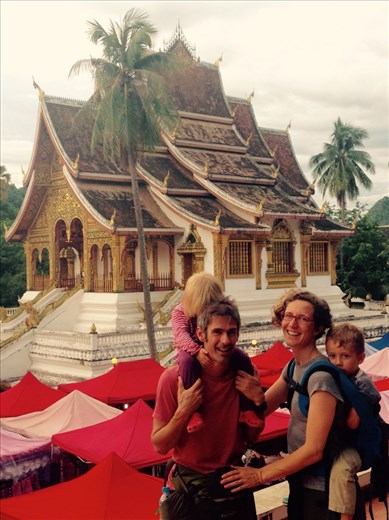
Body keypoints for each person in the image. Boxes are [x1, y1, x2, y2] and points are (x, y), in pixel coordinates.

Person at [221, 289, 367, 520]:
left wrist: (259, 476)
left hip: (324, 493)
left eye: (303, 319)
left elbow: (313, 450)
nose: (292, 323)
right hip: (302, 486)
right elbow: (263, 407)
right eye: (288, 316)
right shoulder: (293, 367)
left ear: (318, 328)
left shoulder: (320, 377)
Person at [152, 297, 266, 520]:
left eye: (232, 332)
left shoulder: (245, 376)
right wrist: (184, 410)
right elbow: (160, 445)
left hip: (231, 484)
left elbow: (250, 437)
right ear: (201, 335)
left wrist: (258, 401)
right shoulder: (172, 380)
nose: (225, 340)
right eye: (217, 332)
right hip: (189, 490)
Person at [171, 272, 262, 433]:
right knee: (187, 364)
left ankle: (247, 409)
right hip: (189, 350)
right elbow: (180, 336)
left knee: (243, 359)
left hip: (213, 348)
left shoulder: (219, 311)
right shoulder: (181, 312)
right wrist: (196, 351)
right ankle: (193, 412)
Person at [325, 323, 381, 520]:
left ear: (360, 358)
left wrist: (357, 408)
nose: (338, 362)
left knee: (343, 470)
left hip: (360, 445)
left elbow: (354, 422)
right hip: (351, 442)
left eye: (345, 356)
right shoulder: (341, 379)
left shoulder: (361, 383)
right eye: (332, 356)